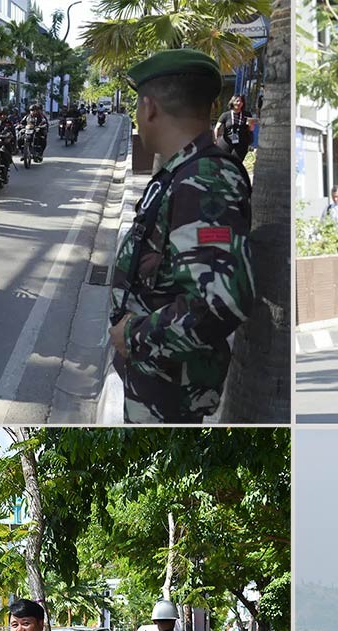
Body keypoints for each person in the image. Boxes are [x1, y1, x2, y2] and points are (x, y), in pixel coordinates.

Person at [107, 49, 254, 424]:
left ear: (150, 108)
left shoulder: (205, 180)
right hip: (158, 381)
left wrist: (136, 335)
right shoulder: (183, 172)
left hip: (174, 392)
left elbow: (220, 301)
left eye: (137, 107)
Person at [213, 94, 253, 162]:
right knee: (223, 161)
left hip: (241, 143)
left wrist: (251, 125)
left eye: (241, 101)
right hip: (226, 142)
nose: (239, 103)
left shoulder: (247, 114)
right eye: (237, 101)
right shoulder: (225, 115)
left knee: (236, 163)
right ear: (232, 102)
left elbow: (250, 129)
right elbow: (217, 128)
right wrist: (215, 139)